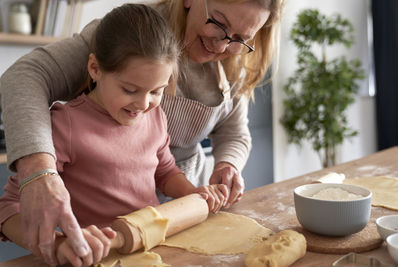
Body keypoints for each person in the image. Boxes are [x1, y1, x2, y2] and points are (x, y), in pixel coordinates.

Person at [0, 0, 285, 265]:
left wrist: (208, 182)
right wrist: (40, 178)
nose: (223, 45)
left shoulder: (154, 115)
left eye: (240, 39)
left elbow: (173, 164)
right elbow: (26, 75)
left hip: (168, 229)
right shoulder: (71, 119)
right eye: (219, 24)